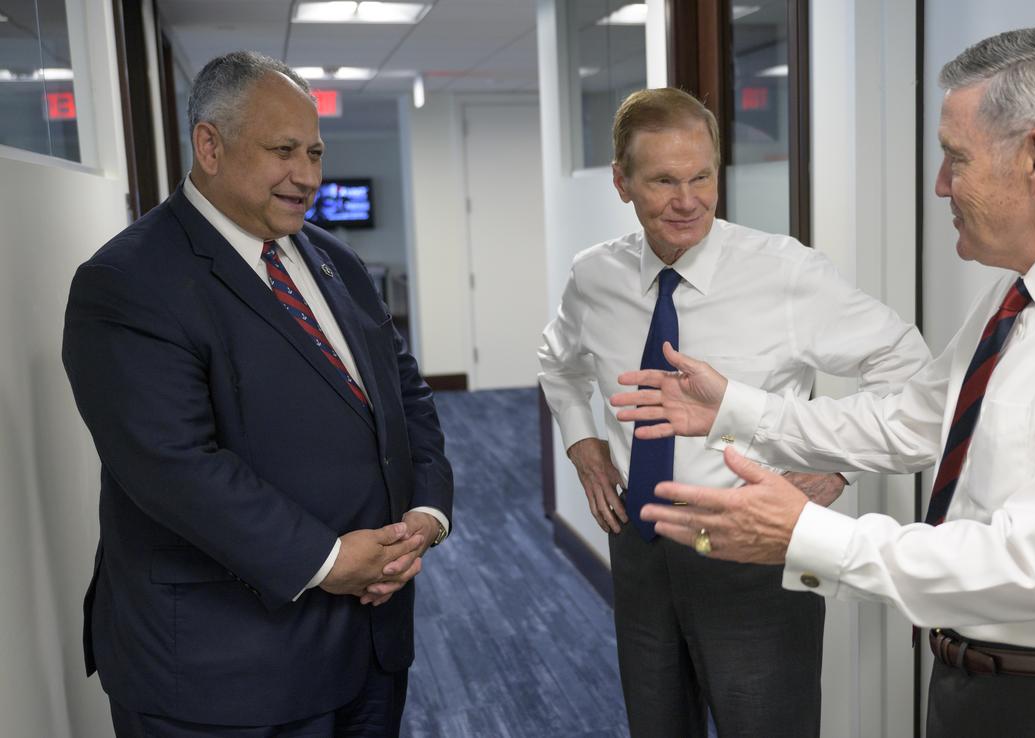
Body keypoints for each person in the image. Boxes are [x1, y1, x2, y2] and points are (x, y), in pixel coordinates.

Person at [613, 28, 1035, 738]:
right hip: (972, 681)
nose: (939, 183)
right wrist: (735, 409)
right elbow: (907, 421)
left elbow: (1032, 566)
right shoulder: (1016, 299)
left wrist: (807, 535)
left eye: (954, 157)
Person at [62, 51, 453, 736]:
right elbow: (174, 465)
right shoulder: (128, 282)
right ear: (209, 145)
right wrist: (328, 560)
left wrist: (425, 512)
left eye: (314, 153)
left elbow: (405, 395)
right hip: (226, 674)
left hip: (368, 645)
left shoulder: (333, 259)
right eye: (283, 151)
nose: (306, 176)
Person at [538, 87, 931, 737]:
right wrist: (583, 446)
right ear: (621, 182)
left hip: (753, 553)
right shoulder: (594, 278)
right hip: (639, 549)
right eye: (663, 180)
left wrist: (835, 467)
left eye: (701, 177)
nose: (686, 201)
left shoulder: (785, 274)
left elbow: (907, 369)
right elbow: (558, 361)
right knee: (657, 724)